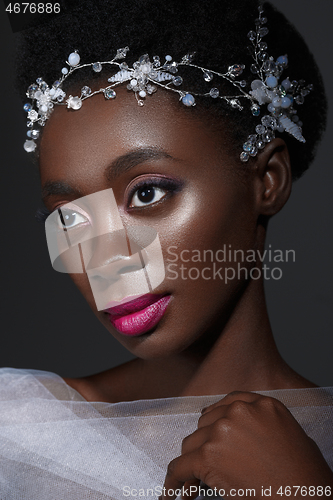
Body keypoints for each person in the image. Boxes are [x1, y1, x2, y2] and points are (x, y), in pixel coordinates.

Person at [0, 0, 332, 498]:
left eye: (147, 192)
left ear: (267, 180)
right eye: (70, 218)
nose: (104, 257)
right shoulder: (22, 434)